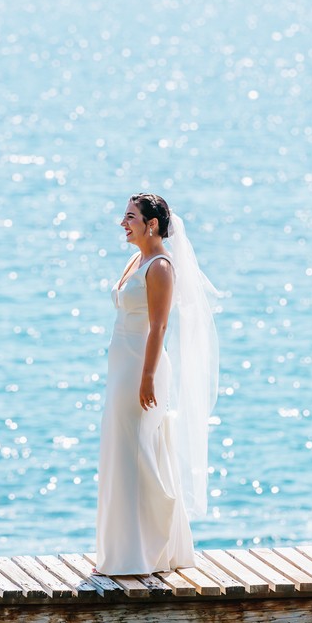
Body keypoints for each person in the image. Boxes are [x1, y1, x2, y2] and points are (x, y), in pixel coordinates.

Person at [95, 193, 219, 575]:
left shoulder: (161, 266)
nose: (122, 223)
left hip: (141, 368)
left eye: (130, 217)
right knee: (121, 452)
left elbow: (159, 326)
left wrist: (147, 376)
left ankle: (138, 554)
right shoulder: (137, 259)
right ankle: (125, 549)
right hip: (122, 366)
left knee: (139, 454)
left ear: (151, 224)